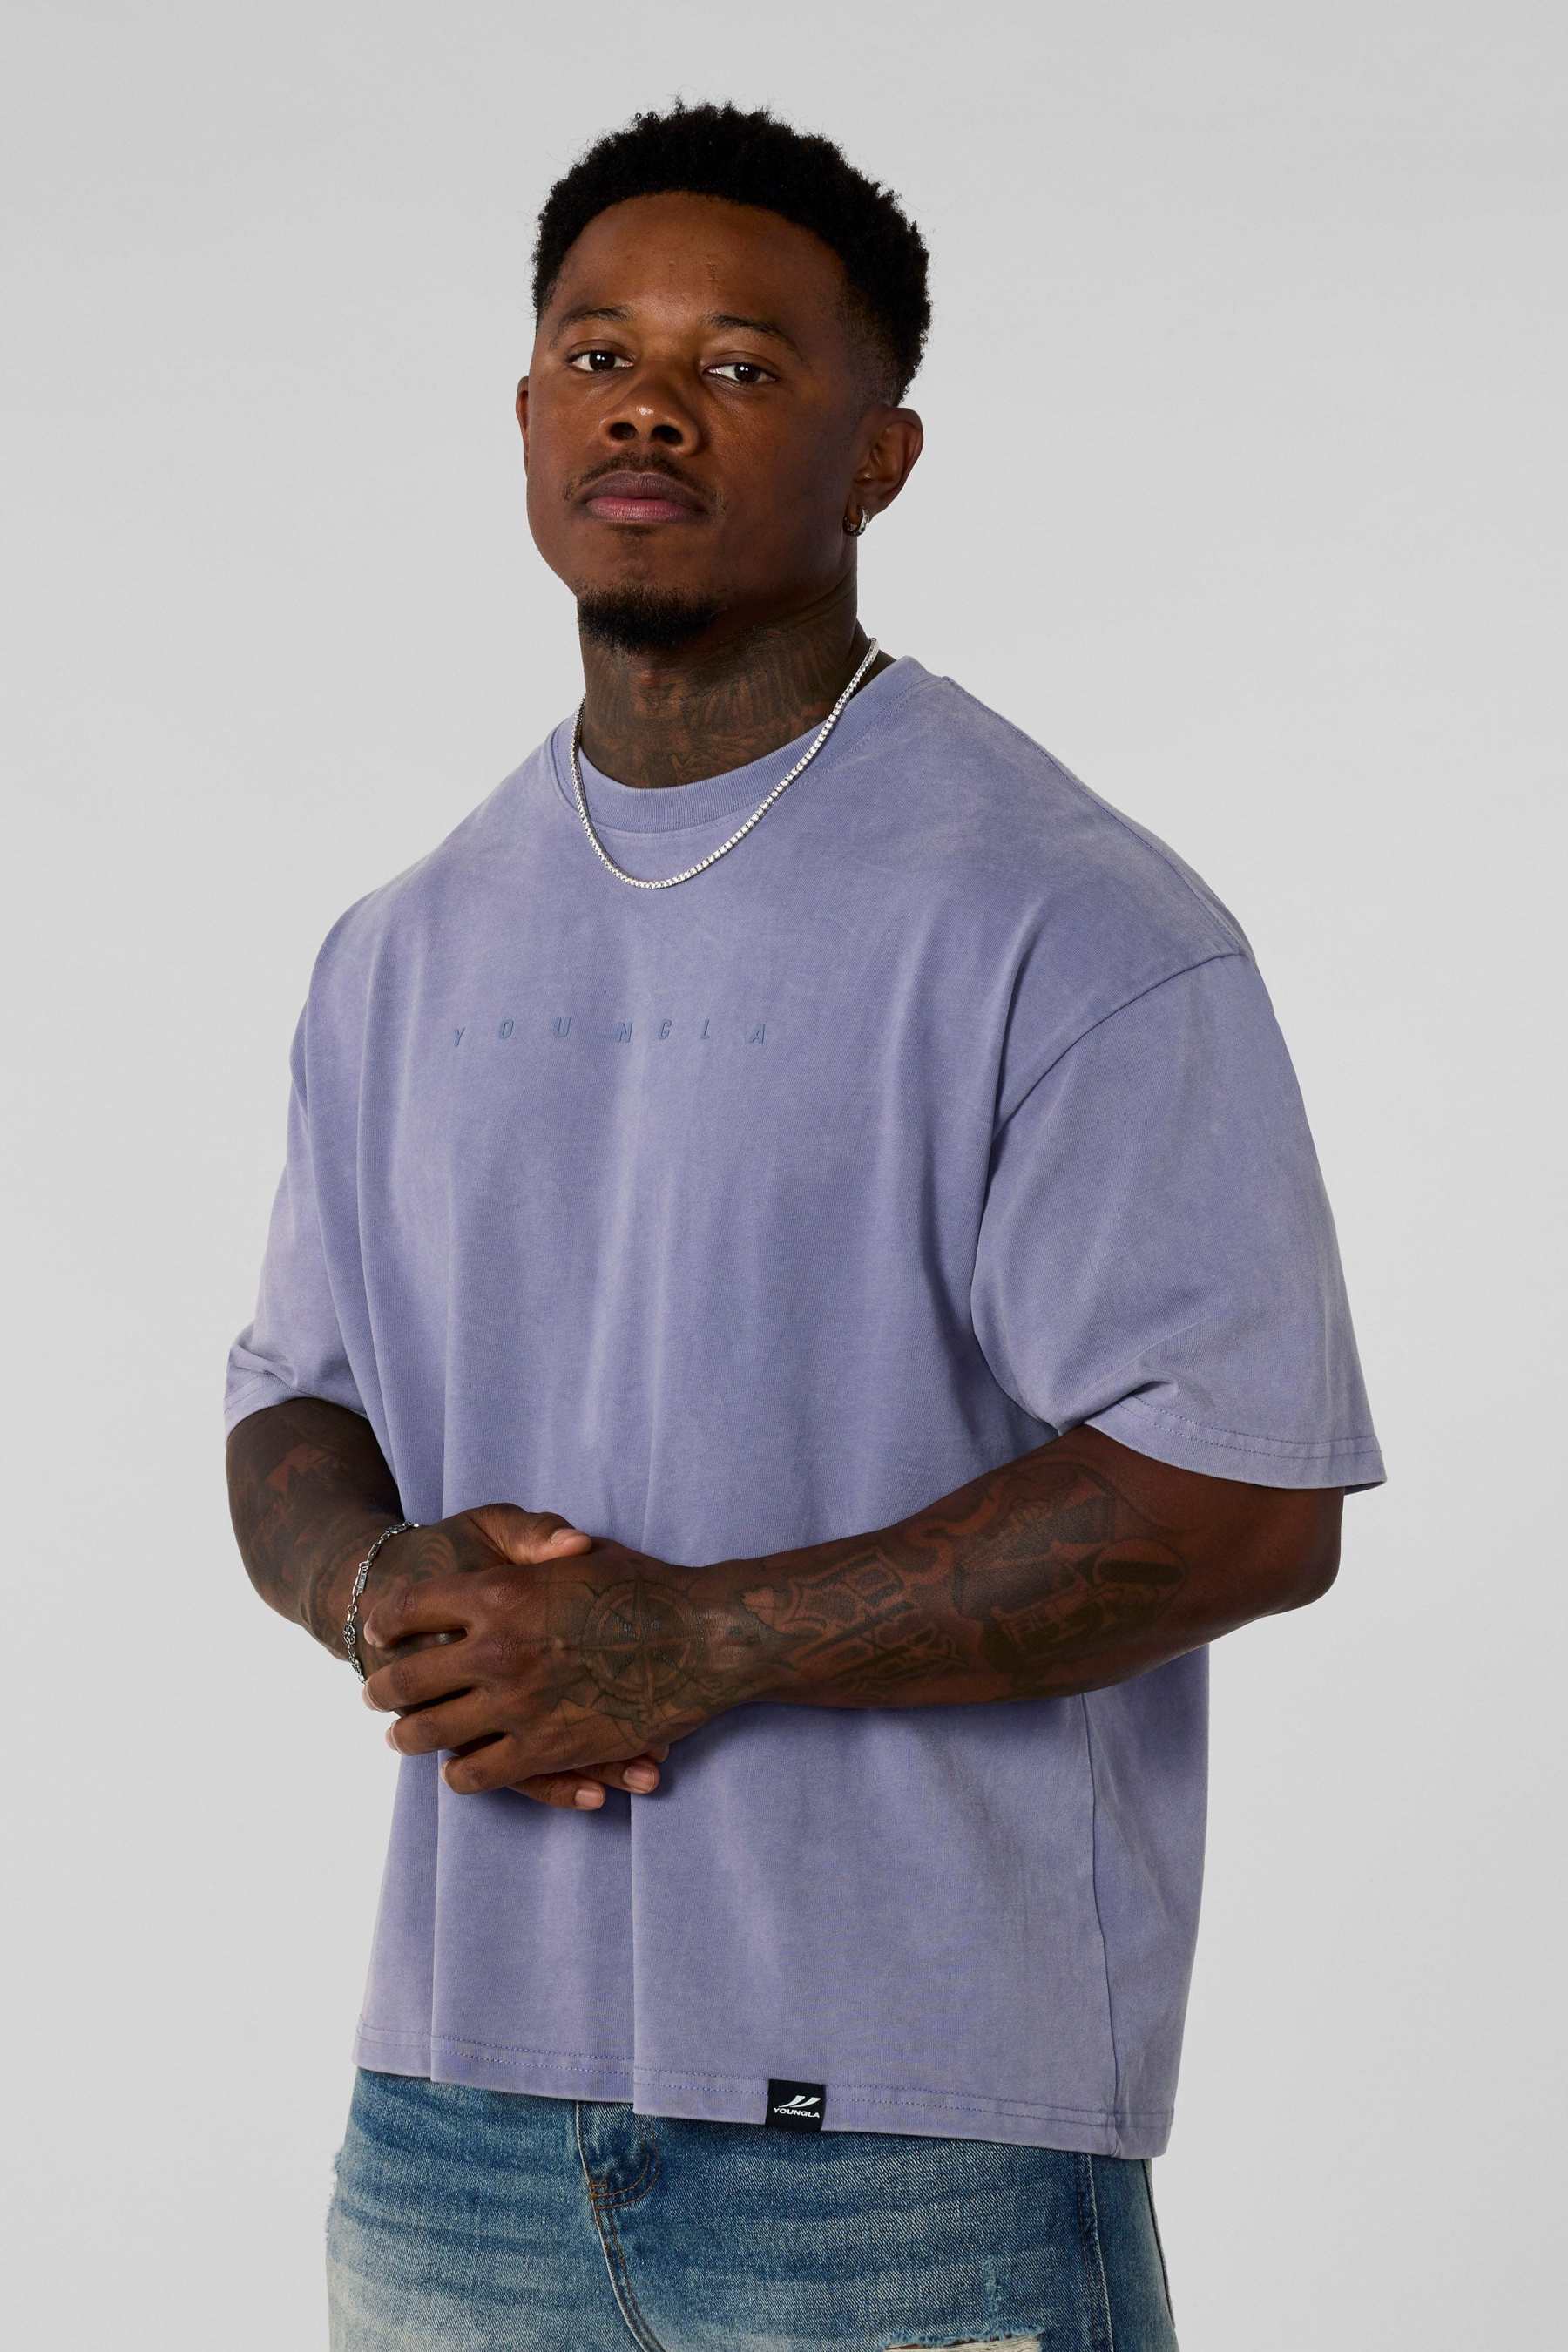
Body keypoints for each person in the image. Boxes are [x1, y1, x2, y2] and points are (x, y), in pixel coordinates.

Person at [223, 98, 1385, 2352]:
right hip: (455, 2120)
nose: (649, 403)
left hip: (903, 2148)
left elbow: (1245, 1499)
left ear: (884, 454)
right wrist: (383, 1589)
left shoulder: (1067, 918)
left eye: (740, 364)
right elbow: (294, 1400)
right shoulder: (400, 944)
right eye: (598, 352)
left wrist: (698, 1637)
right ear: (528, 413)